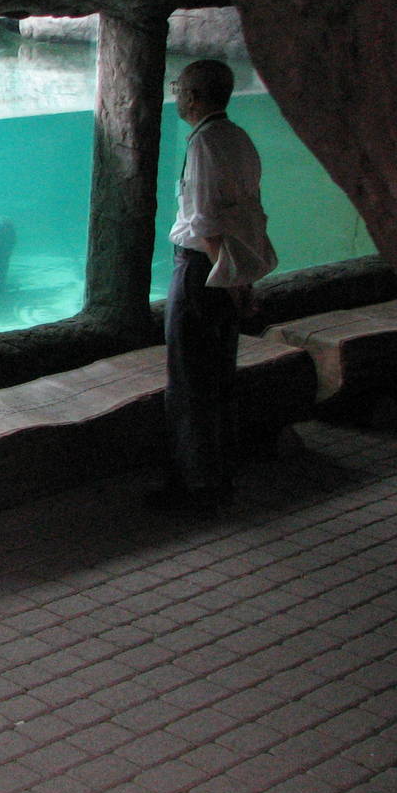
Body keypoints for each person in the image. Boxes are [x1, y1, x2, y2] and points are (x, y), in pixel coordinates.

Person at [151, 58, 278, 517]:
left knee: (188, 381)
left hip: (201, 272)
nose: (177, 94)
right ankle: (219, 473)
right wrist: (241, 280)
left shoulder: (204, 142)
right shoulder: (237, 138)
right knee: (218, 375)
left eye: (180, 87)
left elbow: (205, 222)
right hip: (229, 270)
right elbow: (249, 212)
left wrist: (224, 277)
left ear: (194, 95)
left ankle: (195, 484)